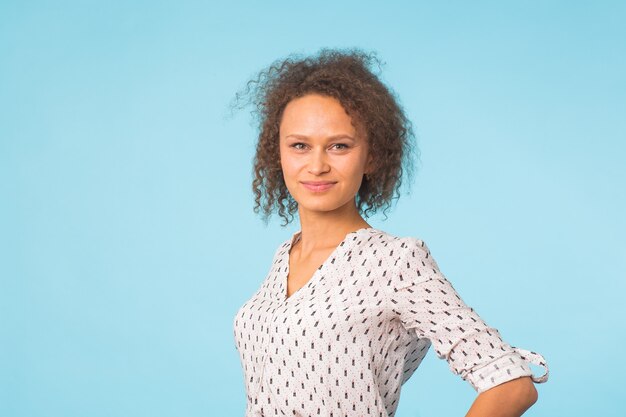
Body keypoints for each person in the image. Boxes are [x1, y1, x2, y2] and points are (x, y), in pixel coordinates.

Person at [231, 48, 549, 417]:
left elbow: (510, 384)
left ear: (371, 156)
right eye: (300, 146)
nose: (316, 165)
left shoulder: (396, 261)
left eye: (339, 146)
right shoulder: (284, 257)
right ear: (279, 154)